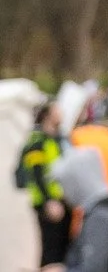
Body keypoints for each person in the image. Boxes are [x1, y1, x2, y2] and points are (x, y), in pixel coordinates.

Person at [50, 126, 108, 272]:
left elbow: (94, 268)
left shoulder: (99, 219)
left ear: (77, 183)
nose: (63, 194)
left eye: (65, 186)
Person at [16, 102, 69, 266]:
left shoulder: (56, 138)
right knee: (51, 252)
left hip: (60, 200)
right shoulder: (37, 141)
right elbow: (37, 173)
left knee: (62, 250)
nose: (61, 113)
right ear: (47, 115)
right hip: (48, 203)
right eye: (57, 110)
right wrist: (48, 201)